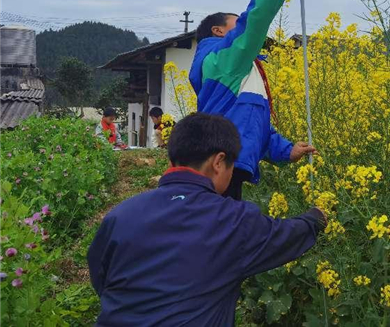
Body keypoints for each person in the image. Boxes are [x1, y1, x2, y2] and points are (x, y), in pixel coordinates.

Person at [87, 112, 326, 326]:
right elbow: (287, 235)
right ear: (219, 162)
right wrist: (315, 218)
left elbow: (101, 278)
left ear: (171, 161)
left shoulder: (120, 216)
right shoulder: (233, 220)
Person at [189, 0, 316, 200]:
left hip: (226, 163)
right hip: (219, 163)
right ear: (218, 31)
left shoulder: (239, 70)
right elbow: (256, 18)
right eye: (235, 23)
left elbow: (249, 121)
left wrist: (284, 149)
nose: (242, 29)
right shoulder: (221, 59)